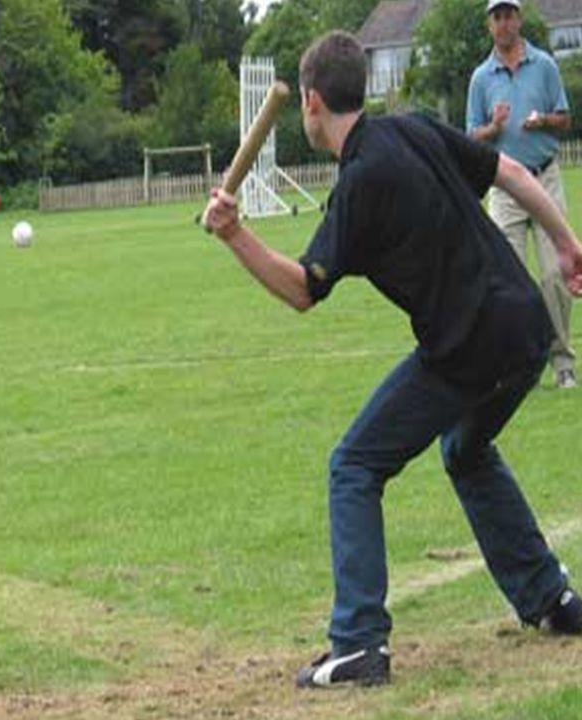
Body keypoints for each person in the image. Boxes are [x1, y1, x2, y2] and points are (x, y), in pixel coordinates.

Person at [201, 31, 582, 689]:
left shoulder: (360, 183)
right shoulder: (415, 129)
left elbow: (302, 288)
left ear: (312, 103)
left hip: (467, 346)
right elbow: (514, 174)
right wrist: (568, 244)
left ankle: (357, 644)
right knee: (465, 448)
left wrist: (235, 233)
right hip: (526, 327)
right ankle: (552, 599)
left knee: (354, 465)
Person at [466, 0, 575, 389]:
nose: (504, 22)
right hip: (505, 188)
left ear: (519, 19)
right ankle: (514, 368)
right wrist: (491, 129)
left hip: (543, 179)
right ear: (489, 25)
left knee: (555, 274)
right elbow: (470, 136)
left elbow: (565, 119)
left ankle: (562, 364)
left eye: (510, 14)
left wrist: (543, 120)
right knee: (506, 280)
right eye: (497, 16)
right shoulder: (481, 78)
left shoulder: (544, 65)